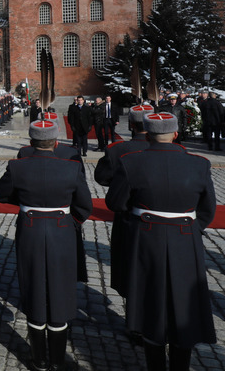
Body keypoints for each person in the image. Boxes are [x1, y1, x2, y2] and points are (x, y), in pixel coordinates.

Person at [106, 112, 217, 371]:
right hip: (185, 239)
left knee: (149, 300)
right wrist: (187, 228)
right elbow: (207, 210)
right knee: (183, 300)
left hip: (146, 238)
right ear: (176, 134)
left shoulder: (131, 162)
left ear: (147, 132)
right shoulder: (199, 164)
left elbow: (116, 203)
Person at [0, 119, 93, 371]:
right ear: (56, 142)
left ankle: (38, 359)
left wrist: (27, 203)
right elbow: (84, 207)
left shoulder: (18, 167)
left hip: (30, 229)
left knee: (34, 286)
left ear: (31, 142)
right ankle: (58, 361)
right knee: (60, 289)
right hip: (62, 231)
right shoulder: (70, 168)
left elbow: (1, 194)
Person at [94, 104, 153, 301]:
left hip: (129, 217)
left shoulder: (118, 149)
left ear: (131, 124)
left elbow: (102, 177)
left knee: (130, 266)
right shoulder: (177, 152)